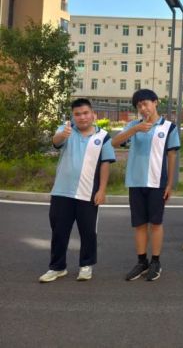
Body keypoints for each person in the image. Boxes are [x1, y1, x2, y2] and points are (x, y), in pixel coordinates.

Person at [39, 99, 116, 283]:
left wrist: (102, 190)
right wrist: (62, 134)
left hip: (88, 193)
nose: (82, 117)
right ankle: (57, 267)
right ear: (73, 116)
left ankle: (86, 265)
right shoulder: (66, 130)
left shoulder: (103, 136)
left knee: (88, 232)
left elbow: (105, 164)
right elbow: (55, 141)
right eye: (77, 114)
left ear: (93, 114)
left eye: (85, 113)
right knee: (59, 232)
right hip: (61, 192)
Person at [112, 89, 180, 282]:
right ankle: (142, 261)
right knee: (139, 224)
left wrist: (170, 184)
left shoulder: (169, 127)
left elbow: (172, 156)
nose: (143, 108)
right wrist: (135, 129)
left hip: (157, 183)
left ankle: (155, 262)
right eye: (139, 106)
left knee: (156, 223)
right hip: (136, 181)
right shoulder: (133, 125)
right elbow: (113, 143)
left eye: (146, 103)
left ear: (155, 102)